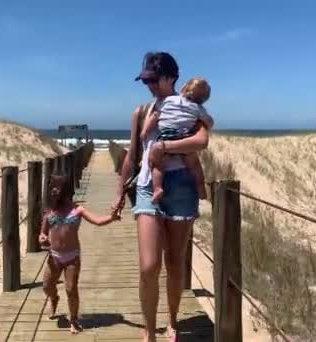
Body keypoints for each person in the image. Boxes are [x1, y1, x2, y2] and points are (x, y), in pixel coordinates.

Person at [112, 52, 211, 342]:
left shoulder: (189, 106)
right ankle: (149, 329)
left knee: (175, 260)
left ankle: (171, 321)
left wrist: (164, 146)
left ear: (171, 77)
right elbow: (132, 154)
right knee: (148, 265)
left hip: (181, 184)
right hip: (147, 185)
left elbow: (202, 140)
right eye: (146, 80)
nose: (150, 85)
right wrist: (119, 192)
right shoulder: (142, 111)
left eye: (154, 79)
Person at [40, 173, 120, 334]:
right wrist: (42, 238)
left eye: (58, 188)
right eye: (52, 188)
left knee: (71, 289)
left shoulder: (77, 210)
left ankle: (74, 319)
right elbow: (42, 233)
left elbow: (97, 221)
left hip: (72, 258)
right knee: (47, 286)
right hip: (54, 256)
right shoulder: (50, 212)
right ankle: (54, 298)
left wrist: (111, 217)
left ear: (66, 191)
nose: (54, 191)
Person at [140, 76, 214, 203]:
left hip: (165, 136)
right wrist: (207, 124)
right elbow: (209, 121)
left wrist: (145, 131)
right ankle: (201, 187)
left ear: (183, 88)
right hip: (183, 138)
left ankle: (157, 188)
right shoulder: (198, 108)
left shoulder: (168, 100)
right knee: (195, 165)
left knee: (157, 165)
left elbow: (155, 116)